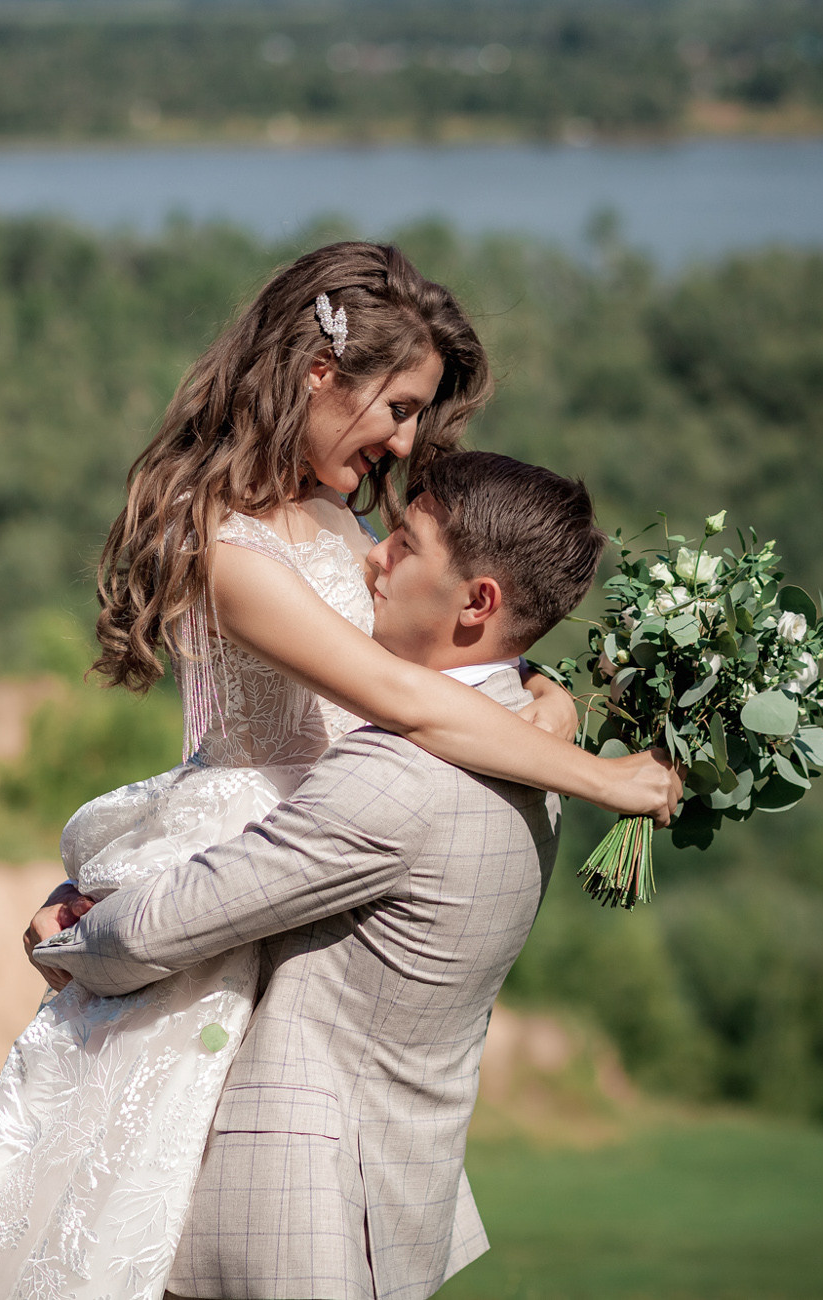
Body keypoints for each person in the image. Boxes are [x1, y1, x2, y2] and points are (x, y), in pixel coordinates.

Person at [0, 243, 677, 1300]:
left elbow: (447, 653)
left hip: (323, 852)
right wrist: (596, 776)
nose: (407, 441)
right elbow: (400, 695)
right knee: (88, 1218)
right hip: (251, 850)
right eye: (398, 407)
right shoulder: (228, 551)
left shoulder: (349, 522)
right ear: (321, 372)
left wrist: (546, 688)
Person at [31, 449, 606, 1299]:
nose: (372, 557)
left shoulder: (398, 777)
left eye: (404, 545)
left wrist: (64, 939)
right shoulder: (536, 738)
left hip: (296, 1211)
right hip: (402, 1191)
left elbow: (165, 927)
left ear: (479, 601)